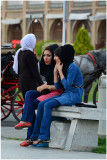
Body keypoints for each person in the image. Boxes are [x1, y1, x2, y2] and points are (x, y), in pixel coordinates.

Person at [15, 44, 84, 147]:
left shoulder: (72, 67)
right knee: (42, 104)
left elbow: (67, 86)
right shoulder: (64, 66)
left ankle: (43, 137)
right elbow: (57, 85)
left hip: (73, 95)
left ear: (63, 55)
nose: (55, 58)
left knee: (46, 105)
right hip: (66, 94)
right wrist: (55, 71)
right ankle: (35, 136)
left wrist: (59, 71)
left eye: (56, 56)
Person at [14, 44, 63, 146]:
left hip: (57, 92)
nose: (45, 58)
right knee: (29, 93)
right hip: (49, 90)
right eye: (44, 55)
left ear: (54, 56)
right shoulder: (46, 67)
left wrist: (46, 87)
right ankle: (26, 121)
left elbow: (60, 87)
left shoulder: (59, 66)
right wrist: (44, 86)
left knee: (34, 103)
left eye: (49, 55)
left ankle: (31, 137)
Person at [13, 33, 43, 99]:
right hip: (30, 82)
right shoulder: (29, 54)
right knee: (31, 101)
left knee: (26, 101)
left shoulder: (20, 52)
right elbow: (35, 71)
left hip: (22, 81)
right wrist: (42, 84)